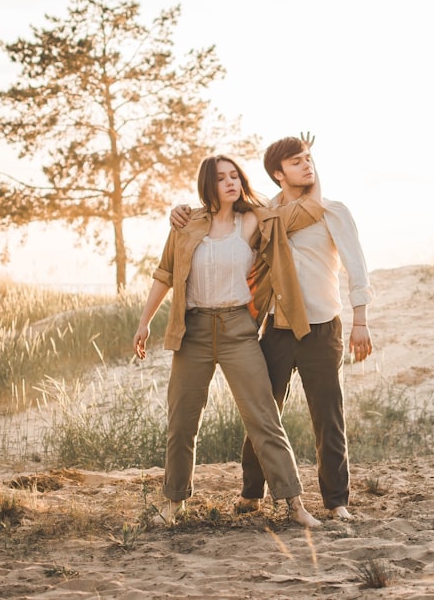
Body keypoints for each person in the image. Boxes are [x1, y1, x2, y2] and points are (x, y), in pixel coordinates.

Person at [171, 135, 374, 520]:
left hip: (321, 327)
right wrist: (178, 212)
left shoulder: (333, 211)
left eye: (309, 159)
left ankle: (336, 502)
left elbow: (356, 267)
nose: (307, 166)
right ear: (277, 173)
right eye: (296, 162)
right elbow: (216, 217)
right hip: (276, 329)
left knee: (328, 417)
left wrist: (360, 320)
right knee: (263, 413)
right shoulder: (262, 214)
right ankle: (251, 493)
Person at [133, 154, 323, 528]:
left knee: (264, 417)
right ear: (209, 184)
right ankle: (174, 502)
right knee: (182, 421)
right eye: (222, 178)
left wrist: (312, 170)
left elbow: (309, 209)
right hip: (194, 332)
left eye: (235, 176)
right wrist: (144, 322)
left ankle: (294, 504)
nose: (231, 182)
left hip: (239, 329)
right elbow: (165, 273)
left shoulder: (255, 219)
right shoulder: (187, 223)